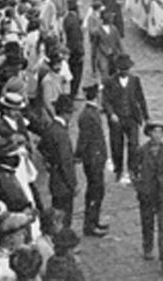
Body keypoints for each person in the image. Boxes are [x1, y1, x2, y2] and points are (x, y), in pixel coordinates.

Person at [133, 120, 163, 276]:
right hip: (147, 192)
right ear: (149, 134)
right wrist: (139, 187)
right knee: (147, 221)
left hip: (162, 193)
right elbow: (134, 171)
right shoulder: (141, 151)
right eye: (155, 132)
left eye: (161, 132)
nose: (158, 135)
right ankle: (148, 246)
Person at [102, 54, 149, 185]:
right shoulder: (110, 82)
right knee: (117, 146)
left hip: (132, 118)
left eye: (127, 69)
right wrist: (111, 114)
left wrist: (146, 117)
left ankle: (132, 170)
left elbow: (141, 99)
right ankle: (118, 170)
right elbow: (106, 101)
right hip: (117, 120)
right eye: (122, 69)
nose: (125, 72)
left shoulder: (135, 80)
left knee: (134, 145)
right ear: (117, 69)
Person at [75, 79, 109, 237]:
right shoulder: (89, 115)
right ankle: (90, 225)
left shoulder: (91, 112)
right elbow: (84, 139)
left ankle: (94, 221)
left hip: (96, 157)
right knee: (95, 191)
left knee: (97, 191)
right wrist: (79, 155)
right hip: (93, 159)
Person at [38, 95, 77, 229]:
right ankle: (63, 240)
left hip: (54, 178)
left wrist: (48, 161)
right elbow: (66, 162)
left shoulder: (50, 128)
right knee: (65, 214)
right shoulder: (61, 133)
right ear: (67, 113)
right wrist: (73, 184)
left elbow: (41, 147)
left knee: (58, 210)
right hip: (63, 182)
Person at [62, 0, 85, 98]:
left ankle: (72, 92)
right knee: (76, 73)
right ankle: (73, 93)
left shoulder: (67, 18)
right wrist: (81, 52)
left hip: (70, 48)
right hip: (75, 51)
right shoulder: (74, 21)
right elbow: (76, 39)